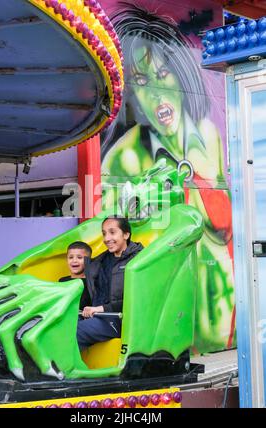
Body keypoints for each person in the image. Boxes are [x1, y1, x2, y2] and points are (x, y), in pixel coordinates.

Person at [101, 4, 235, 352]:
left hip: (227, 313)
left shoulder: (214, 137)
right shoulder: (124, 157)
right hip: (170, 325)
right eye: (142, 82)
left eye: (163, 74)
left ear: (179, 74)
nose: (156, 92)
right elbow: (118, 235)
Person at [77, 216, 143, 350]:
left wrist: (100, 309)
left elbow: (136, 300)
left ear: (126, 234)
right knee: (59, 326)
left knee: (75, 331)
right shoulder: (100, 261)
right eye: (104, 233)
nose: (107, 238)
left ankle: (61, 370)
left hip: (119, 320)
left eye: (112, 232)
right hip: (97, 316)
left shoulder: (139, 260)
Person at [59, 241, 92, 311]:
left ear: (88, 260)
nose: (74, 260)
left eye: (79, 257)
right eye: (70, 257)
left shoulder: (92, 283)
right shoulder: (62, 281)